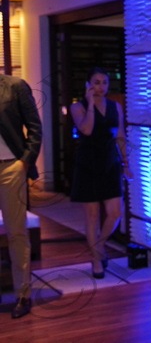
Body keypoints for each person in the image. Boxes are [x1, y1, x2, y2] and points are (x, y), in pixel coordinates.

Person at [70, 67, 130, 279]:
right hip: (88, 163)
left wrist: (126, 162)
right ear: (88, 84)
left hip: (110, 161)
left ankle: (99, 246)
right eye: (96, 82)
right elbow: (86, 129)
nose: (101, 87)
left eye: (104, 82)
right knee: (92, 216)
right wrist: (91, 105)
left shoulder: (115, 106)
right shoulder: (77, 106)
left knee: (115, 213)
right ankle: (96, 259)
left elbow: (120, 135)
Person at [0, 74, 42, 319]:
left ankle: (22, 294)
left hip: (10, 168)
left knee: (16, 232)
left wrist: (24, 162)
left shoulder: (14, 86)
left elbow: (35, 127)